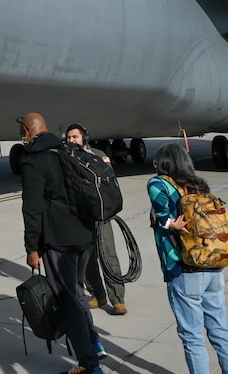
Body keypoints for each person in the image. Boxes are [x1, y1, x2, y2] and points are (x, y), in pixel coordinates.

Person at [19, 113, 104, 374]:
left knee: (70, 302)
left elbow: (32, 209)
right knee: (77, 293)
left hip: (60, 242)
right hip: (85, 236)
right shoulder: (69, 152)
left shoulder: (34, 161)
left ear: (27, 132)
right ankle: (94, 343)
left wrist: (32, 247)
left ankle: (89, 365)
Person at [148, 143, 228, 374]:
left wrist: (168, 223)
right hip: (212, 265)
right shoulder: (198, 185)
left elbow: (163, 218)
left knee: (192, 337)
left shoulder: (158, 183)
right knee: (220, 331)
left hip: (183, 268)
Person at [66, 125, 128, 316]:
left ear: (84, 138)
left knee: (108, 254)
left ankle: (117, 298)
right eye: (68, 138)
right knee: (87, 258)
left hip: (101, 214)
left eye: (75, 137)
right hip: (80, 215)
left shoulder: (98, 155)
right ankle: (96, 294)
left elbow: (109, 181)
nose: (71, 141)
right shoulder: (66, 158)